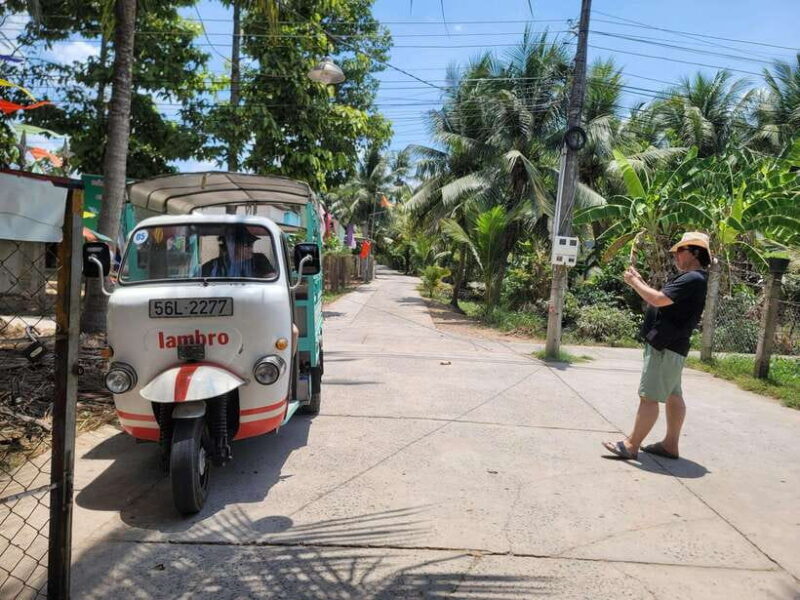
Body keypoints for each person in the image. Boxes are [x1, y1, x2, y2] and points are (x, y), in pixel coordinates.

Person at [603, 232, 711, 461]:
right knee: (673, 395)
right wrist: (640, 282)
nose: (675, 255)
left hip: (665, 346)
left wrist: (634, 283)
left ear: (694, 253)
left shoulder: (693, 279)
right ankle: (670, 445)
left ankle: (631, 445)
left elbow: (658, 300)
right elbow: (661, 297)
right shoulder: (694, 278)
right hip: (673, 345)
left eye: (680, 250)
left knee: (648, 397)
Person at [201, 226, 274, 278]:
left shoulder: (259, 259)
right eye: (246, 244)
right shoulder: (213, 266)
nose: (250, 247)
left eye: (251, 243)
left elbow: (272, 278)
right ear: (231, 245)